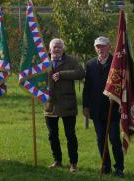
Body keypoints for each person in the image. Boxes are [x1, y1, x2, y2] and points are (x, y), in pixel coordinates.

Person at [83, 36, 124, 177]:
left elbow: (124, 86)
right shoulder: (90, 64)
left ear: (109, 47)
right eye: (98, 46)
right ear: (95, 48)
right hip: (96, 109)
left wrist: (122, 103)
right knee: (101, 139)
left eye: (103, 46)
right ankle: (105, 166)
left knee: (114, 139)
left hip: (112, 109)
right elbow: (87, 87)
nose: (100, 49)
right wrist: (85, 106)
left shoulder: (117, 63)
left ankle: (119, 168)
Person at [44, 38, 84, 172]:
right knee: (52, 135)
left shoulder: (71, 60)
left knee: (70, 135)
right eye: (54, 47)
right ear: (50, 49)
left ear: (63, 49)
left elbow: (80, 73)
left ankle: (73, 163)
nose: (57, 49)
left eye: (59, 47)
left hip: (68, 104)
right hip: (50, 104)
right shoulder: (43, 62)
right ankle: (57, 160)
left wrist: (61, 74)